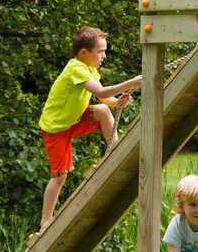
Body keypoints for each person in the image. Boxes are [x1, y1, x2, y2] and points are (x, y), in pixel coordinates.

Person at [37, 26, 141, 231]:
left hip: (73, 120)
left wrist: (117, 102)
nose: (104, 56)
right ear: (84, 53)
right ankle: (46, 220)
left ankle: (115, 148)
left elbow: (104, 98)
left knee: (102, 110)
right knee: (60, 177)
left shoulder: (90, 69)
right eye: (100, 51)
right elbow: (101, 90)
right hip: (56, 128)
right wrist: (132, 82)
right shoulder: (76, 68)